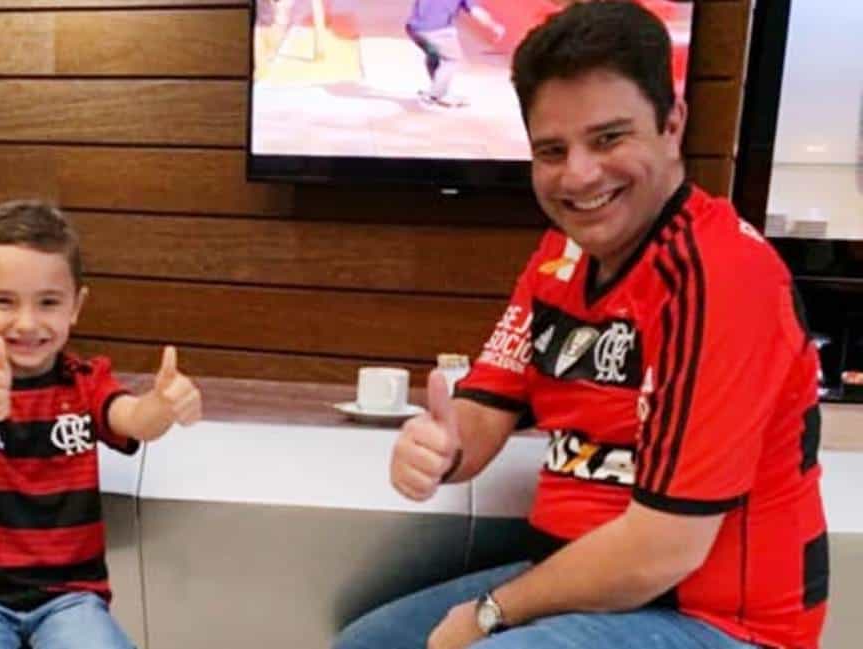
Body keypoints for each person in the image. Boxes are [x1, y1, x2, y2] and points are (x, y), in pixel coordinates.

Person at [335, 2, 827, 648]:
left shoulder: (724, 275)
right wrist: (440, 450)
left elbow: (662, 548)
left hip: (715, 621)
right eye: (552, 150)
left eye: (609, 138)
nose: (579, 174)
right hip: (580, 584)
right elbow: (485, 409)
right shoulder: (558, 256)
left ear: (672, 125)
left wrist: (489, 614)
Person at [0, 200, 202, 649]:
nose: (27, 323)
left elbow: (132, 418)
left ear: (76, 306)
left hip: (69, 597)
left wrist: (163, 405)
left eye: (48, 302)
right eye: (4, 301)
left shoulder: (86, 380)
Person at [406, 0, 506, 107]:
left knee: (434, 54)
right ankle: (432, 96)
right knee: (452, 60)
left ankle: (440, 91)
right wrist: (494, 26)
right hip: (436, 30)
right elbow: (476, 11)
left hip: (414, 29)